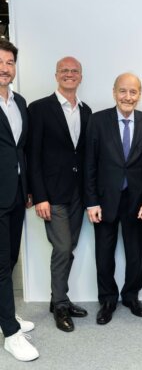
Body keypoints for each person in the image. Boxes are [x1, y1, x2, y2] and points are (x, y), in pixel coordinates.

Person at [85, 73, 142, 325]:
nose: (128, 97)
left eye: (133, 92)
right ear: (114, 92)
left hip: (138, 202)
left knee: (135, 253)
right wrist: (91, 201)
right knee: (104, 254)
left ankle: (131, 296)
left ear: (140, 94)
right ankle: (107, 299)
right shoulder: (97, 121)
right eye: (123, 91)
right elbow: (89, 164)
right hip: (104, 200)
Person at [28, 57, 91, 332]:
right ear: (56, 75)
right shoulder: (39, 108)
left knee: (69, 247)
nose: (69, 74)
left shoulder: (86, 111)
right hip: (52, 194)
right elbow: (33, 155)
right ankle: (61, 305)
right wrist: (39, 195)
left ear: (80, 77)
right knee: (63, 248)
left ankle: (58, 299)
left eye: (74, 71)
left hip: (78, 193)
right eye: (64, 70)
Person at [0, 40, 39, 361]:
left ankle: (4, 314)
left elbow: (20, 149)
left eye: (9, 62)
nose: (4, 68)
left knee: (10, 259)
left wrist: (27, 187)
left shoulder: (19, 101)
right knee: (1, 263)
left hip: (15, 193)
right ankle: (10, 334)